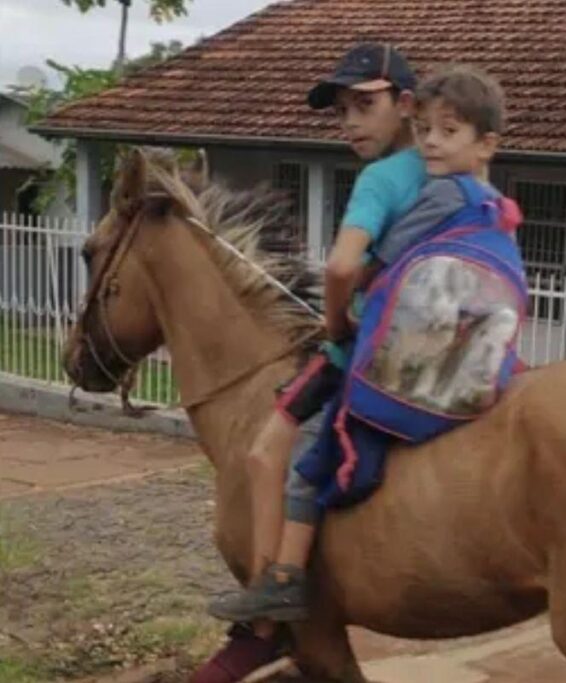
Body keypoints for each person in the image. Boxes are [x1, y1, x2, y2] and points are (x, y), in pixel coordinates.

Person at [207, 64, 520, 625]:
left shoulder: (400, 183)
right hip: (461, 350)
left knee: (295, 459)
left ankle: (278, 583)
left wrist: (341, 318)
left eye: (447, 132)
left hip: (379, 351)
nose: (432, 142)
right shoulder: (493, 201)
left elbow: (355, 264)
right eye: (428, 129)